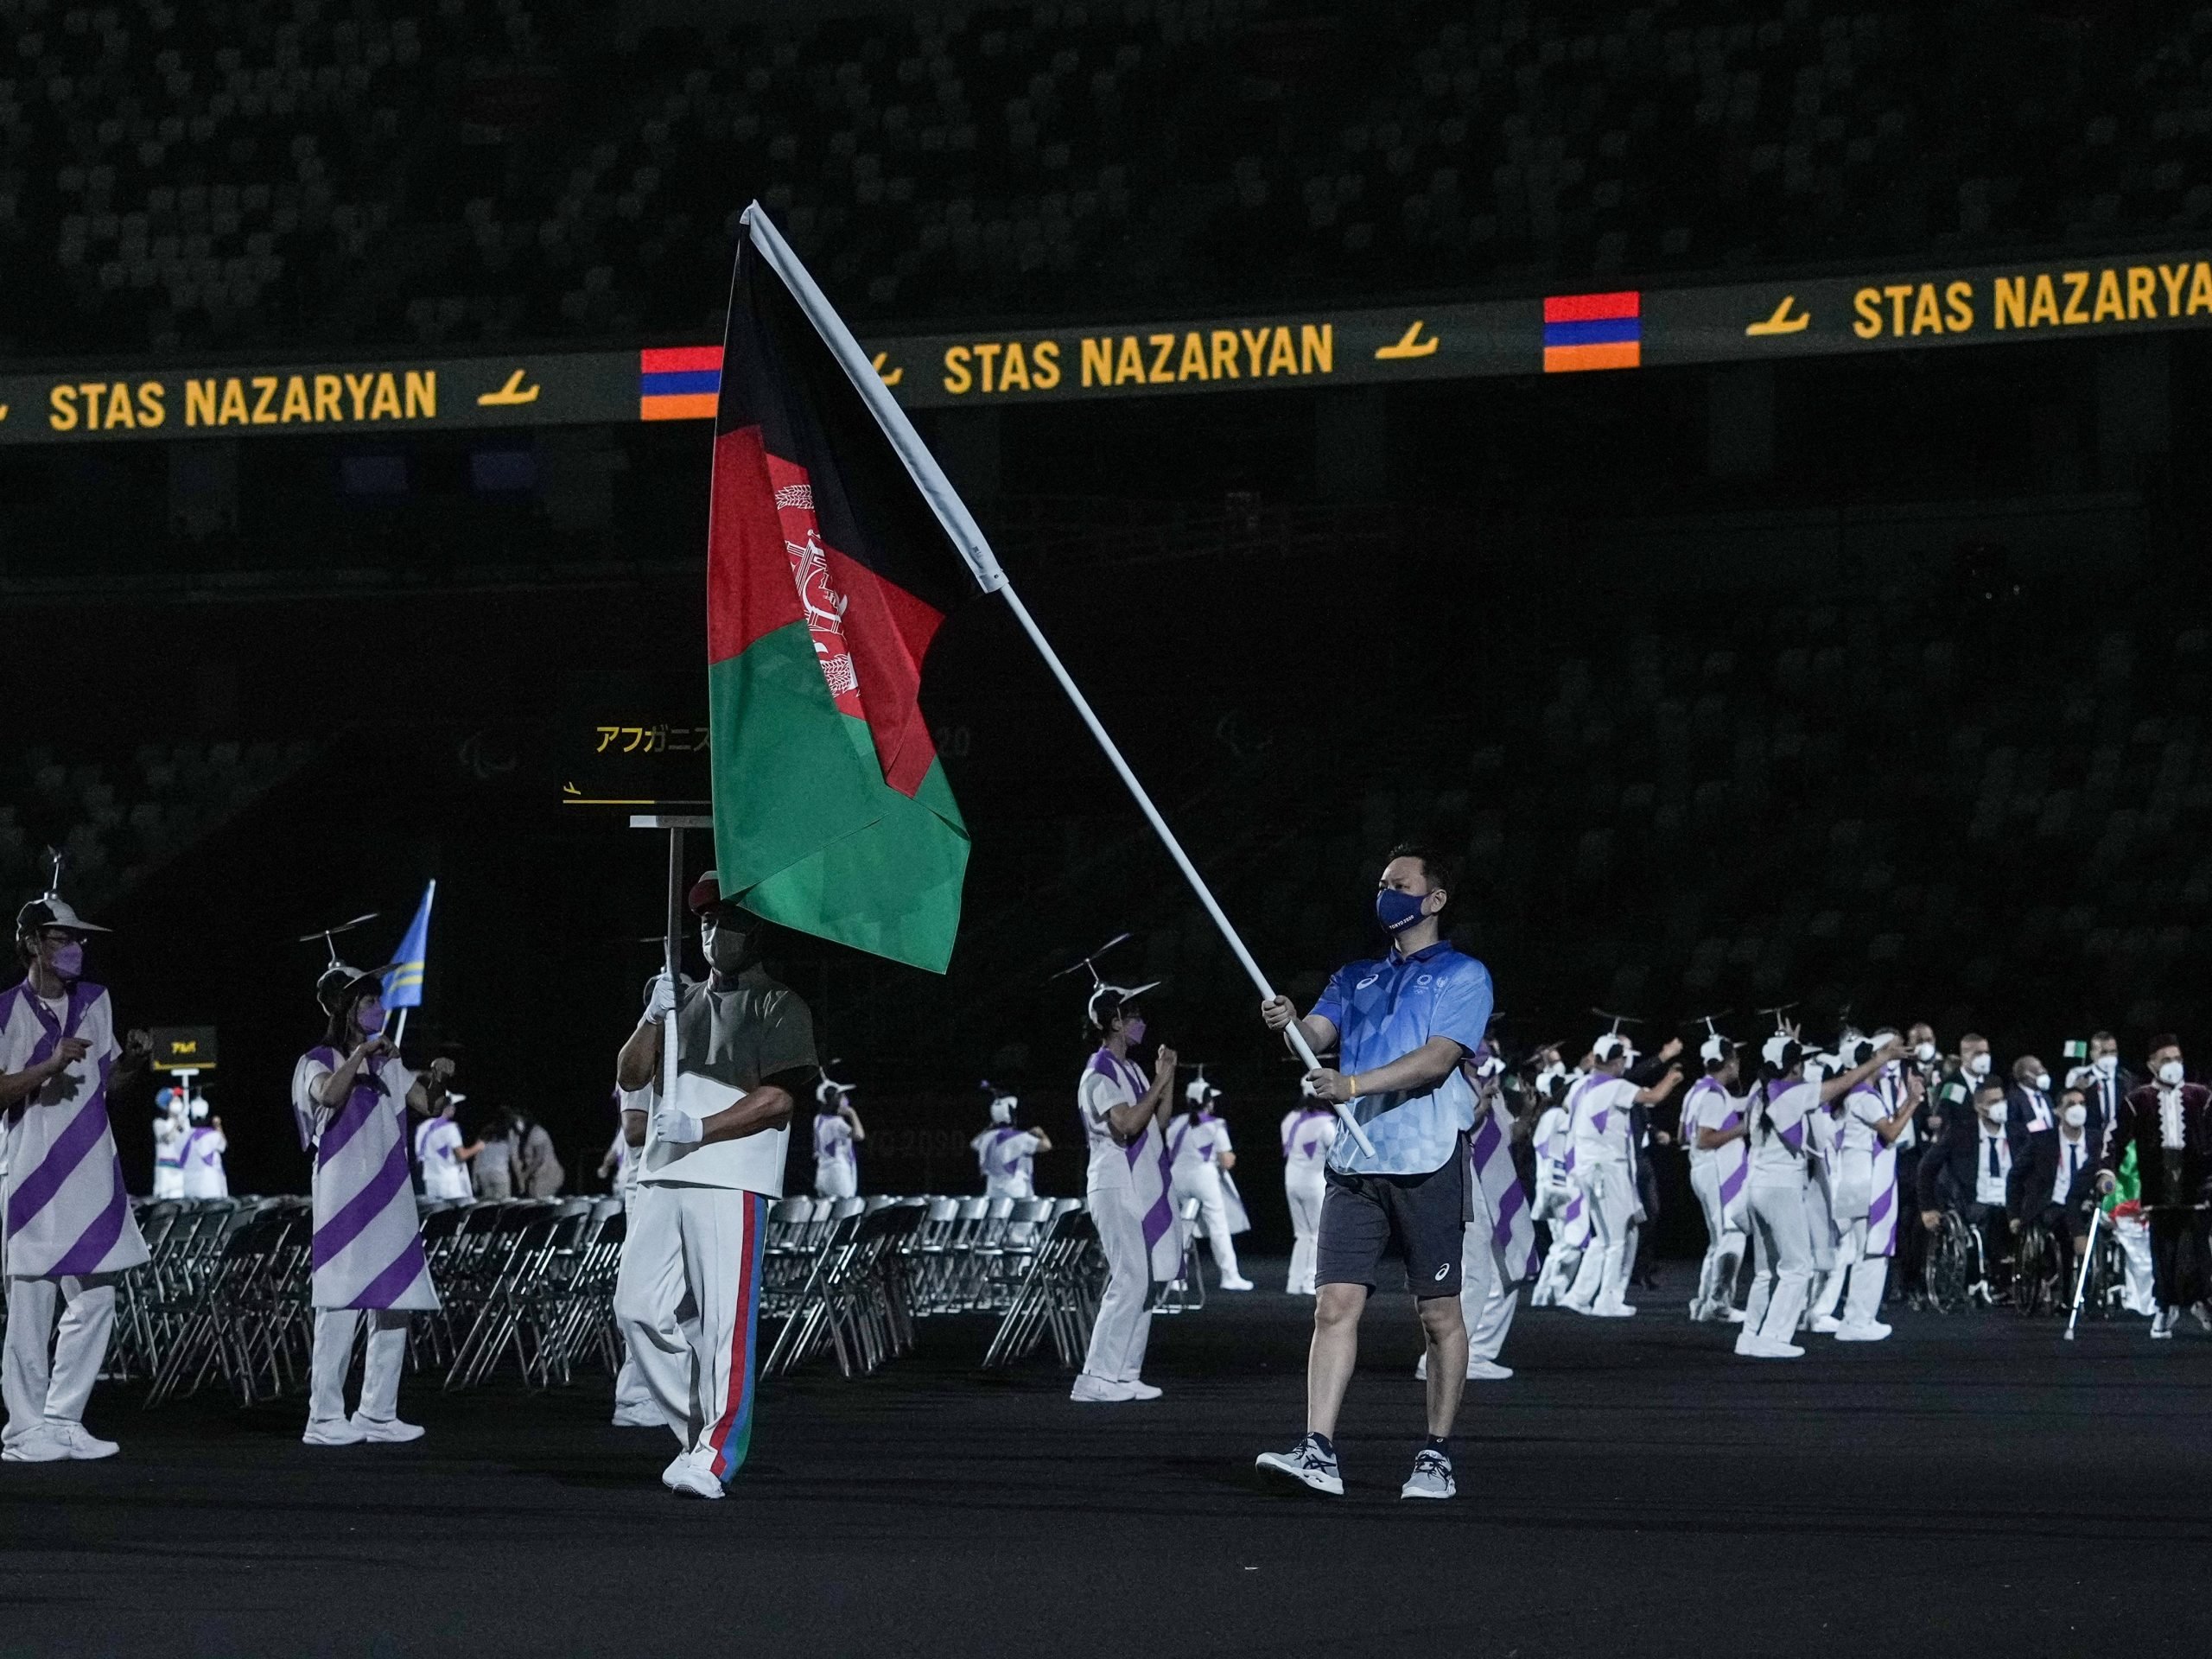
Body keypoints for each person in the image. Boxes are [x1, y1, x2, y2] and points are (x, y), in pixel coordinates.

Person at [1255, 844, 1492, 1501]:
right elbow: (1315, 1035)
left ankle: (1436, 1455)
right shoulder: (1354, 974)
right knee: (1334, 1305)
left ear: (1435, 899)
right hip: (1354, 1165)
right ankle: (1318, 1448)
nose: (1385, 891)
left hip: (1428, 1160)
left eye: (1400, 883)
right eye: (1383, 883)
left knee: (1439, 1314)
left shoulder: (1463, 975)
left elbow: (1439, 1060)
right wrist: (1288, 1025)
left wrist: (1352, 1083)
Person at [613, 874, 817, 1497]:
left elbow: (780, 1098)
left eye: (723, 920)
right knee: (637, 1308)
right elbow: (629, 1075)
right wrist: (653, 1015)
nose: (709, 931)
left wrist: (701, 1126)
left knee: (725, 1326)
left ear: (754, 931)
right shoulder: (679, 1000)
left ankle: (716, 1453)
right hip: (664, 1174)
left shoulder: (781, 1005)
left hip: (732, 1175)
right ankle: (698, 1429)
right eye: (702, 920)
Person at [0, 887, 152, 1463]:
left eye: (79, 940)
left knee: (98, 1296)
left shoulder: (98, 1000)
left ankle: (63, 1418)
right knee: (31, 1306)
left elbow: (106, 1084)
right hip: (30, 1172)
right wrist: (48, 1064)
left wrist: (133, 1062)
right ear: (34, 944)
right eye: (64, 938)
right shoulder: (4, 1011)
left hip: (92, 1166)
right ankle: (22, 1431)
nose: (76, 949)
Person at [291, 956, 453, 1446]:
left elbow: (427, 1106)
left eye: (378, 1001)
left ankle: (378, 1413)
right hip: (343, 1197)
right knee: (339, 1304)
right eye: (368, 1002)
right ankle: (323, 1417)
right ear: (343, 1009)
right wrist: (361, 1054)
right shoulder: (314, 1061)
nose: (379, 1009)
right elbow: (329, 1097)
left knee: (395, 1300)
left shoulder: (391, 1063)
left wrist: (439, 1080)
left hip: (391, 1192)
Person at [1734, 1028, 1899, 1359]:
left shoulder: (1760, 1094)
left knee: (1767, 1272)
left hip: (1757, 1187)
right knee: (1797, 1267)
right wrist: (1878, 1061)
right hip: (1782, 1188)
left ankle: (1750, 1335)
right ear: (1794, 1067)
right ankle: (1773, 1337)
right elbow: (1839, 1085)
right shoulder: (1791, 1095)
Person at [1070, 976, 1178, 1403]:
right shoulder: (1099, 1073)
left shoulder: (1131, 1068)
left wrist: (1165, 1078)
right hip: (1114, 1182)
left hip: (1140, 1180)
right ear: (1113, 1022)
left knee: (1148, 1279)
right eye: (1132, 1015)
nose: (1141, 1022)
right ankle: (1095, 1376)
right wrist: (1159, 1083)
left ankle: (1125, 1373)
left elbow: (1158, 1123)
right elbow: (1127, 1125)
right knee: (1130, 1277)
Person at [1419, 1046, 1534, 1382]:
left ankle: (1478, 1352)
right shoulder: (1445, 1084)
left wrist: (1527, 1112)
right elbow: (1448, 1131)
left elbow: (1510, 1135)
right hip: (1465, 1187)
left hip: (1498, 1187)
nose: (1490, 1047)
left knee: (1507, 1272)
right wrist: (1480, 1107)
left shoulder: (1488, 1084)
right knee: (1475, 1274)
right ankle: (1439, 1359)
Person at [2097, 1037, 2210, 1340]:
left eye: (2177, 1057)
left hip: (2196, 1181)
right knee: (2164, 1250)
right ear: (2152, 1065)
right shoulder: (2139, 1100)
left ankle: (2202, 1301)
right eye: (2165, 1059)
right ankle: (2165, 1306)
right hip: (2159, 1184)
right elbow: (2115, 1139)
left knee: (2198, 1249)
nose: (2173, 1064)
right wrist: (2107, 1170)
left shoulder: (2201, 1096)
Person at [1560, 1032, 1680, 1316]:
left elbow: (1569, 1110)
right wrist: (1672, 1077)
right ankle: (1607, 1300)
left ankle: (1579, 1296)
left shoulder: (1580, 1086)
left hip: (1588, 1167)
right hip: (1607, 1168)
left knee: (1607, 1236)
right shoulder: (1616, 1087)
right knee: (1616, 1239)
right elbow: (1653, 1097)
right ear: (1617, 1061)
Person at [1808, 1031, 1916, 1340]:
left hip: (1855, 1181)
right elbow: (1892, 1132)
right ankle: (1858, 1320)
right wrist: (1913, 1101)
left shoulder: (1855, 1096)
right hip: (1868, 1182)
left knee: (1857, 1250)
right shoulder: (1864, 1097)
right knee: (1873, 1252)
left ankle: (1855, 1318)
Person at [1684, 1034, 1749, 1323]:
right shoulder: (1713, 1095)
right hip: (1717, 1170)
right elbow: (1705, 1139)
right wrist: (1744, 1128)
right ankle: (1718, 1304)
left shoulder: (1697, 1091)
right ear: (1730, 1062)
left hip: (1703, 1170)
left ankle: (1703, 1303)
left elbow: (1681, 1136)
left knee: (1718, 1239)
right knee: (1731, 1235)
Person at [1166, 1077, 1253, 1291]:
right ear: (1208, 1102)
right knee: (1218, 1226)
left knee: (1181, 1227)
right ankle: (1229, 1275)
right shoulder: (1215, 1125)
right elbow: (1226, 1161)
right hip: (1203, 1176)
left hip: (1176, 1177)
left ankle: (1177, 1279)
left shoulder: (1174, 1123)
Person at [2009, 1083, 2101, 1274]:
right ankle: (2065, 1287)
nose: (2078, 1109)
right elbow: (2016, 1177)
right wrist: (2014, 1215)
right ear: (2058, 1111)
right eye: (2071, 1104)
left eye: (2082, 1104)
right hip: (2053, 1204)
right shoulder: (2041, 1141)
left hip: (2091, 1203)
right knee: (2063, 1229)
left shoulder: (2098, 1141)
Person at [1528, 1067, 1590, 1307]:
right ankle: (1555, 1290)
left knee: (1563, 1241)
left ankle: (1545, 1295)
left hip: (1554, 1186)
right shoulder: (1557, 1117)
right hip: (1559, 1187)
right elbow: (1558, 1150)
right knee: (1571, 1242)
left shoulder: (1551, 1116)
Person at [1280, 1082, 1338, 1296]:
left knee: (1302, 1234)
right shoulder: (1325, 1124)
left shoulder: (1290, 1119)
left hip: (1291, 1180)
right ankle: (1309, 1281)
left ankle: (1294, 1283)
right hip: (1314, 1182)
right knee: (1316, 1234)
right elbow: (1336, 1151)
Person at [972, 1085, 1052, 1200]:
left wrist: (990, 1127)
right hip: (1017, 1191)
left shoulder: (987, 1137)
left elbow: (974, 1144)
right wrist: (1041, 1133)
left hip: (993, 1192)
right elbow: (1046, 1146)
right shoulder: (1021, 1137)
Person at [811, 1073, 864, 1199]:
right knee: (845, 1211)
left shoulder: (818, 1119)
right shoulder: (837, 1123)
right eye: (841, 1096)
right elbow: (859, 1135)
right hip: (838, 1174)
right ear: (835, 1100)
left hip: (822, 1173)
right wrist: (852, 1113)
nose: (845, 1098)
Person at [414, 1098, 478, 1202]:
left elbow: (419, 1156)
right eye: (453, 1106)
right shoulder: (450, 1128)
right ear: (447, 1108)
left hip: (431, 1179)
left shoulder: (423, 1127)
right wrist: (479, 1146)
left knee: (438, 1212)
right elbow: (461, 1155)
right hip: (449, 1181)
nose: (454, 1108)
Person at [512, 1109, 564, 1198]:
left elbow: (538, 1159)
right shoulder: (521, 1136)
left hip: (548, 1175)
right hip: (536, 1177)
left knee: (539, 1203)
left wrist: (524, 1176)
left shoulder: (538, 1133)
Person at [179, 1111, 229, 1200]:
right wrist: (218, 1126)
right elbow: (223, 1145)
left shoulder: (182, 1136)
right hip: (209, 1186)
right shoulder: (213, 1135)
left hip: (187, 1185)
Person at [150, 1089, 188, 1199]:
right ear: (167, 1105)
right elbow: (167, 1140)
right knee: (164, 1200)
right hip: (165, 1169)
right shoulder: (159, 1123)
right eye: (174, 1101)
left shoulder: (185, 1122)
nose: (178, 1104)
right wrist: (178, 1125)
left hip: (180, 1168)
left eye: (179, 1101)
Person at [474, 1107, 517, 1199]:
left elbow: (477, 1157)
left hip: (484, 1174)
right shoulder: (509, 1133)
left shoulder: (484, 1133)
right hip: (500, 1173)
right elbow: (514, 1158)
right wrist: (520, 1180)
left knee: (489, 1206)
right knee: (502, 1206)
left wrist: (474, 1179)